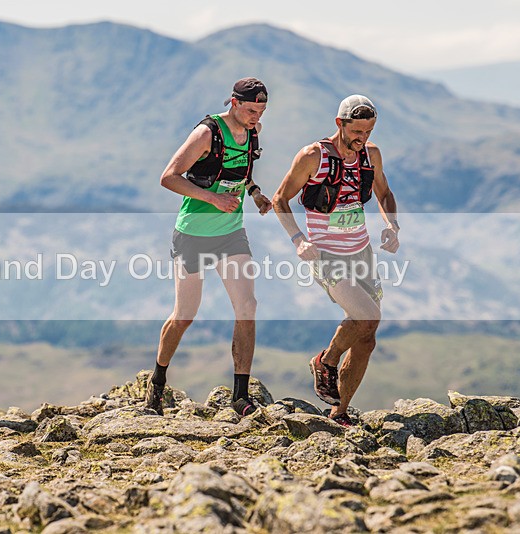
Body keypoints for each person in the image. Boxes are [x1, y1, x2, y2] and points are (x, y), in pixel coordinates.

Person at [144, 77, 273, 417]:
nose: (255, 117)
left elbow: (242, 174)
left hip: (231, 233)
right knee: (185, 315)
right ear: (233, 102)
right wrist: (212, 198)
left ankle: (241, 396)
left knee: (247, 306)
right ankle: (157, 381)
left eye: (260, 111)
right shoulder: (208, 133)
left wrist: (256, 193)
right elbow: (169, 176)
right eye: (249, 110)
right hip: (193, 234)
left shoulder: (252, 131)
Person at [271, 95, 400, 427]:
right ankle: (325, 361)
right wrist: (298, 240)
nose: (363, 139)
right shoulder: (313, 156)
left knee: (368, 334)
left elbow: (384, 194)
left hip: (361, 252)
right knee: (366, 314)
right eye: (356, 131)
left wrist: (391, 225)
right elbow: (280, 199)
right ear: (339, 124)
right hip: (325, 253)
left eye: (368, 132)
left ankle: (339, 413)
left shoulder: (370, 155)